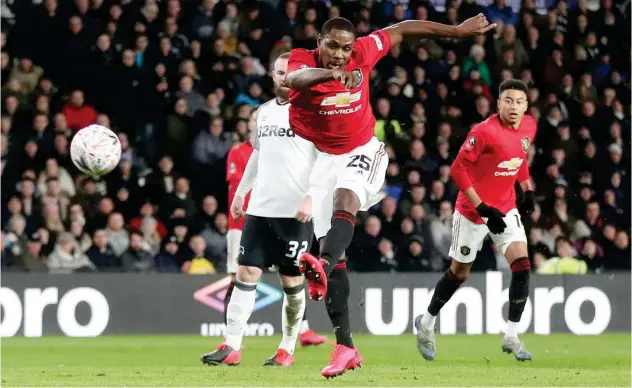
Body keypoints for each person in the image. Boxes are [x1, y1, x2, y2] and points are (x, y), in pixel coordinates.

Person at [284, 15, 496, 377]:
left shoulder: (364, 51)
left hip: (363, 149)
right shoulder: (302, 60)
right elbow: (294, 80)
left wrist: (456, 32)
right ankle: (346, 348)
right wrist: (331, 76)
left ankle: (322, 261)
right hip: (323, 160)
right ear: (319, 41)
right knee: (336, 261)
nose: (339, 54)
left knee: (345, 201)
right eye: (332, 45)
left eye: (345, 48)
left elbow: (404, 28)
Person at [201, 53, 326, 368]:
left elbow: (327, 161)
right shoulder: (264, 113)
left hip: (295, 213)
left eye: (290, 73)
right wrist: (242, 193)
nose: (285, 78)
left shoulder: (312, 113)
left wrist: (312, 197)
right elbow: (256, 156)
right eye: (280, 72)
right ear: (272, 75)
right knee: (245, 272)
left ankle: (287, 349)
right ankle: (232, 345)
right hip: (260, 210)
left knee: (291, 282)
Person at [414, 79, 537, 362]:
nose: (514, 107)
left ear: (526, 105)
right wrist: (482, 208)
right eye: (508, 100)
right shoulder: (484, 132)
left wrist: (527, 188)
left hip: (506, 208)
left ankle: (512, 336)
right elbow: (457, 170)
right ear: (498, 103)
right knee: (459, 273)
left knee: (522, 265)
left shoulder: (529, 126)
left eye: (519, 102)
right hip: (472, 212)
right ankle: (426, 323)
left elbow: (518, 158)